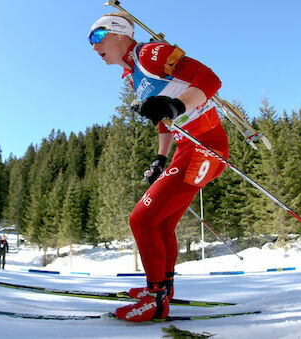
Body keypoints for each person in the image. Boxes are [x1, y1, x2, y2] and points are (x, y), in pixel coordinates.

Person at [88, 13, 229, 322]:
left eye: (97, 36)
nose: (93, 45)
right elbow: (165, 123)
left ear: (121, 34)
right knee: (161, 224)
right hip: (186, 149)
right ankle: (164, 288)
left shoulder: (149, 54)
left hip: (205, 146)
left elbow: (210, 80)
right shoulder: (136, 76)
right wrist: (160, 159)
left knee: (141, 219)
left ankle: (155, 300)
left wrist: (174, 105)